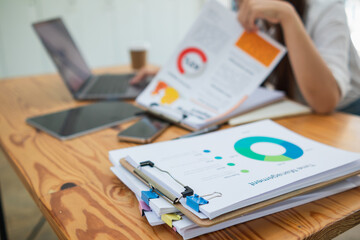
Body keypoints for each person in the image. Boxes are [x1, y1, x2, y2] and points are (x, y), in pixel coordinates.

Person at [131, 0, 360, 115]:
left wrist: (287, 16)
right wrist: (172, 73)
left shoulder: (326, 8)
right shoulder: (245, 7)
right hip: (295, 111)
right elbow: (223, 66)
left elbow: (325, 102)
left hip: (344, 115)